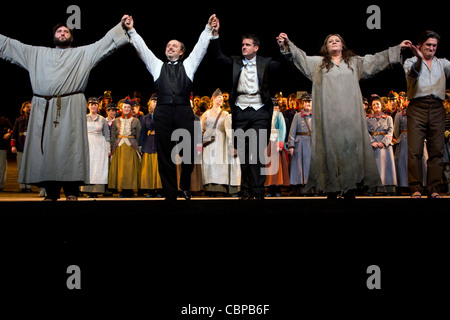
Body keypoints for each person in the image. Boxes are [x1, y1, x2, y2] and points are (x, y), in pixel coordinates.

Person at [0, 16, 130, 201]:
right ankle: (51, 193)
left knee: (71, 148)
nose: (62, 33)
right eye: (59, 31)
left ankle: (71, 192)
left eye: (66, 31)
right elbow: (11, 45)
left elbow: (104, 43)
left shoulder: (83, 53)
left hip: (70, 106)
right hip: (44, 107)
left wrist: (121, 26)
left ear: (71, 38)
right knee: (48, 150)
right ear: (53, 36)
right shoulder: (36, 53)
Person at [277, 32, 412, 199]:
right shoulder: (319, 64)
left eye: (337, 40)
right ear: (326, 47)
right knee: (331, 152)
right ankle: (331, 188)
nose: (334, 42)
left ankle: (349, 188)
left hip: (350, 117)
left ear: (342, 45)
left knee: (350, 153)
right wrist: (287, 44)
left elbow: (376, 60)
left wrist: (397, 48)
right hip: (329, 118)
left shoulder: (353, 63)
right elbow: (301, 58)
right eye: (330, 41)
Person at [124, 14, 218, 200]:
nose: (170, 47)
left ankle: (184, 185)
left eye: (174, 45)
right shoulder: (157, 66)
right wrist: (132, 31)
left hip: (184, 110)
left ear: (182, 52)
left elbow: (200, 49)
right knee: (165, 154)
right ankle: (170, 192)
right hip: (163, 111)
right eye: (168, 45)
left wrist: (208, 29)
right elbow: (143, 50)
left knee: (188, 153)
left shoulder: (189, 65)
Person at [209, 17, 288, 200]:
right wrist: (215, 36)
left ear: (256, 47)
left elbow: (284, 65)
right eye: (242, 45)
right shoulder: (236, 62)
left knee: (257, 152)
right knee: (243, 153)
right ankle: (245, 190)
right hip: (240, 111)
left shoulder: (265, 62)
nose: (243, 47)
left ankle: (259, 191)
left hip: (260, 111)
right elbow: (217, 57)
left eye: (247, 45)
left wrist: (284, 47)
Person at [404, 30, 450, 198]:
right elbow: (414, 73)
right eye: (428, 45)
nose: (431, 48)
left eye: (434, 46)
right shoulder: (410, 62)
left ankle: (434, 189)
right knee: (415, 150)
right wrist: (418, 58)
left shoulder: (442, 63)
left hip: (437, 107)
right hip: (417, 107)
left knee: (437, 150)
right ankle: (415, 188)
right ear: (419, 46)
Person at [109, 97, 141, 198]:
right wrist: (111, 148)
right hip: (119, 146)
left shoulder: (136, 121)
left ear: (131, 109)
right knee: (121, 169)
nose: (126, 109)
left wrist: (139, 149)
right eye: (125, 107)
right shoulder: (117, 121)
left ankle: (130, 190)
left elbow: (139, 136)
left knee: (130, 169)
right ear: (121, 109)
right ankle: (122, 190)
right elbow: (113, 135)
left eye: (128, 107)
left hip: (131, 146)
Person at [201, 88, 229, 196]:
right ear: (213, 99)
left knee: (220, 164)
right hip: (209, 143)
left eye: (221, 98)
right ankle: (209, 189)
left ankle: (221, 188)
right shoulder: (206, 114)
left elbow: (229, 129)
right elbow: (200, 129)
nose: (220, 100)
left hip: (221, 142)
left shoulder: (225, 114)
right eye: (218, 98)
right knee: (209, 165)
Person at [366, 95, 397, 195]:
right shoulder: (368, 119)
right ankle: (372, 189)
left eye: (377, 104)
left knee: (386, 167)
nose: (376, 106)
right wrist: (372, 142)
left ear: (381, 106)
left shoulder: (388, 118)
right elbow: (365, 132)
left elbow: (391, 131)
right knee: (374, 168)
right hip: (373, 144)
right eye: (374, 104)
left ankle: (387, 189)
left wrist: (383, 142)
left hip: (385, 145)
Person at [80, 97, 110, 198]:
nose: (93, 106)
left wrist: (108, 148)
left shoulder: (102, 119)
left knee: (98, 166)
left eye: (95, 104)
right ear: (88, 106)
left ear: (98, 106)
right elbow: (81, 133)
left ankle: (97, 190)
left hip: (99, 144)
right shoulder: (84, 117)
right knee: (89, 165)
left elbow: (107, 135)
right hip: (87, 143)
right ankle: (87, 190)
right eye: (91, 104)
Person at [288, 93, 313, 196]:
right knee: (299, 168)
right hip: (300, 145)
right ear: (302, 103)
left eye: (309, 102)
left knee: (310, 167)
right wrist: (291, 145)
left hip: (311, 143)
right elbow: (292, 132)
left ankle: (311, 189)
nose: (307, 104)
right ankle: (300, 189)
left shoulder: (316, 116)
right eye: (305, 102)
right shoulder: (297, 116)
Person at [139, 94, 163, 198]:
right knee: (148, 169)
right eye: (153, 101)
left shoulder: (165, 116)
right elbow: (142, 133)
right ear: (150, 104)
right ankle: (150, 190)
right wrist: (141, 147)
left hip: (160, 145)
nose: (155, 103)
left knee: (159, 169)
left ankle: (160, 189)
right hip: (148, 144)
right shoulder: (145, 118)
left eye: (157, 101)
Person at [11, 101, 32, 192]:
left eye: (31, 107)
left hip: (31, 148)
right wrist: (13, 146)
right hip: (20, 146)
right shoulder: (19, 120)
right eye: (27, 107)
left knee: (30, 167)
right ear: (23, 109)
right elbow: (14, 133)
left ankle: (28, 186)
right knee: (20, 167)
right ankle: (22, 187)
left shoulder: (35, 119)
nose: (29, 108)